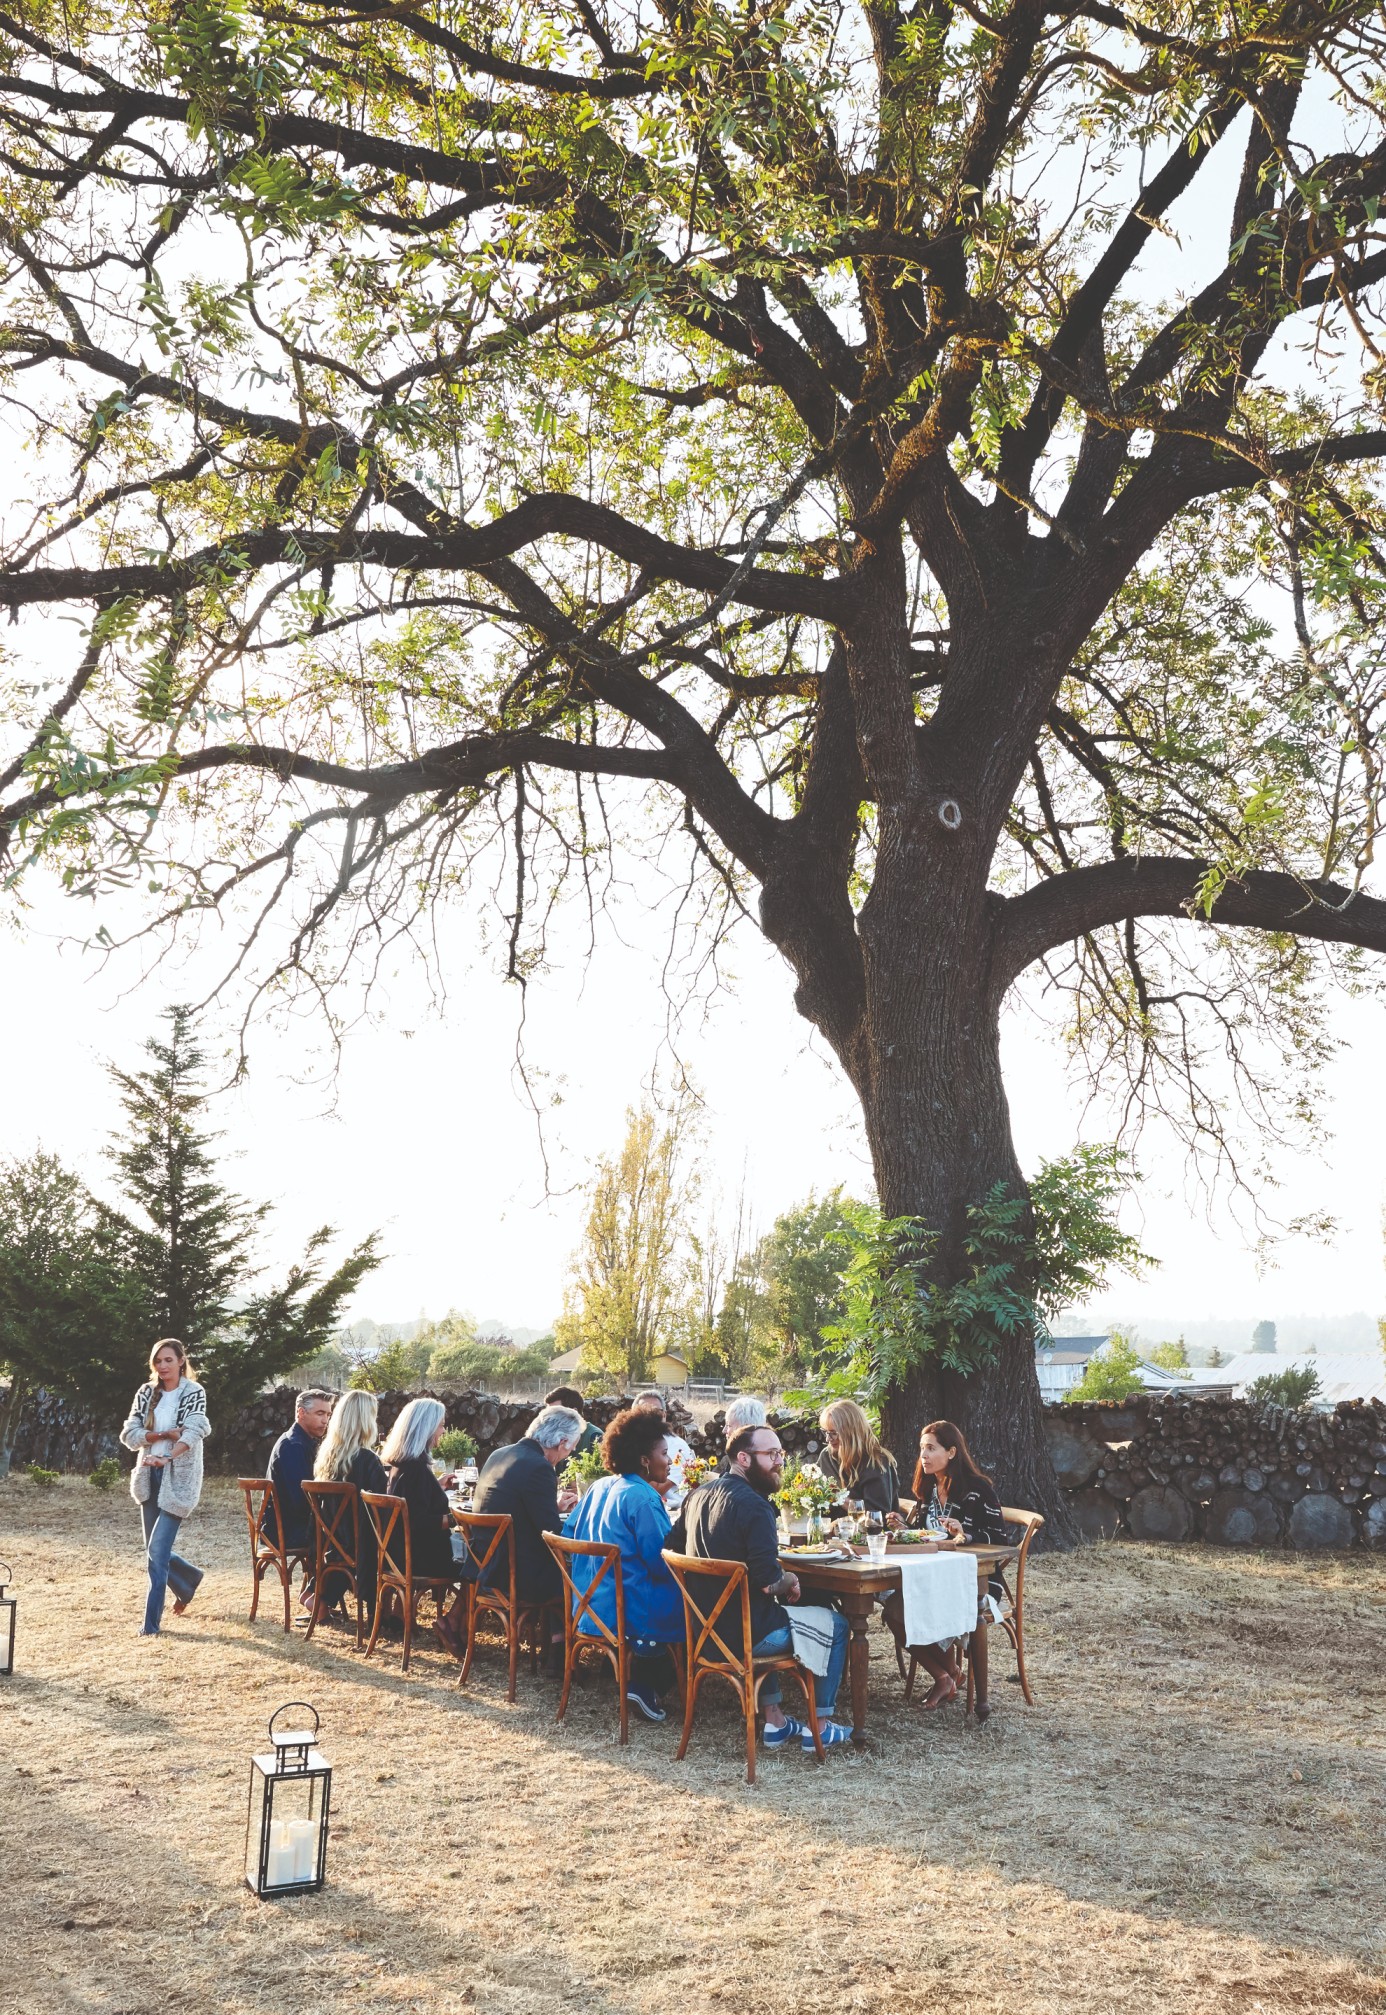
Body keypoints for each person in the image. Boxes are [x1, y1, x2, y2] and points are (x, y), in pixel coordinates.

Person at [669, 1423, 852, 1752]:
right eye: (771, 1454)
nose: (779, 1461)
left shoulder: (697, 1495)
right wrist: (791, 1579)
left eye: (780, 1453)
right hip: (749, 1636)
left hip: (704, 1632)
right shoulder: (756, 1506)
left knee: (768, 1612)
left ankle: (776, 1722)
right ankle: (819, 1727)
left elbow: (671, 1550)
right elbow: (768, 1583)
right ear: (743, 1458)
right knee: (838, 1624)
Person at [563, 1407, 685, 1721]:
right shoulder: (643, 1498)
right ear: (645, 1460)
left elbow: (568, 1532)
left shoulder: (599, 1486)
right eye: (663, 1453)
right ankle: (647, 1684)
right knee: (699, 1600)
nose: (669, 1461)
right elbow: (662, 1563)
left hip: (589, 1606)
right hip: (630, 1613)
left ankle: (629, 1672)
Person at [886, 1418, 1008, 1709]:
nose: (923, 1456)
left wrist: (965, 1534)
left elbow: (1000, 1539)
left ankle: (958, 1684)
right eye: (921, 1449)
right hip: (930, 1576)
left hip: (973, 1580)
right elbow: (926, 1533)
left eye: (931, 1448)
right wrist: (905, 1528)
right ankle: (947, 1674)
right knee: (893, 1610)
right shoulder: (929, 1488)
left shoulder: (978, 1489)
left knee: (902, 1608)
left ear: (951, 1452)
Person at [473, 1404, 582, 1663]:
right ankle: (560, 1653)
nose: (572, 1452)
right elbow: (551, 1532)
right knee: (569, 1570)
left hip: (484, 1562)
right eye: (571, 1446)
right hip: (514, 1575)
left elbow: (517, 1507)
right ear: (561, 1441)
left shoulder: (500, 1454)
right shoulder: (539, 1467)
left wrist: (552, 1506)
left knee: (556, 1565)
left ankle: (556, 1647)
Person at [119, 1338, 211, 1638]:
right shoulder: (146, 1393)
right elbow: (130, 1434)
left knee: (157, 1551)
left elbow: (196, 1429)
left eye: (169, 1360)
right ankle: (188, 1580)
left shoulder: (193, 1392)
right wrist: (160, 1434)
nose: (163, 1366)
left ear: (181, 1361)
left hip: (178, 1478)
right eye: (158, 1361)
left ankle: (150, 1625)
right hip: (148, 1475)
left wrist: (169, 1454)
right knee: (153, 1550)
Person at [381, 1396, 470, 1653]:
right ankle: (454, 1624)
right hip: (419, 1558)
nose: (443, 1431)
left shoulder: (401, 1464)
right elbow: (420, 1523)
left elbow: (413, 1504)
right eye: (441, 1425)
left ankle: (411, 1615)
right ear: (427, 1428)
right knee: (476, 1564)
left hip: (396, 1554)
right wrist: (456, 1519)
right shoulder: (417, 1469)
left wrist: (438, 1488)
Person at [312, 1389, 388, 1623]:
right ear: (366, 1421)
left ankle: (320, 1598)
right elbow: (382, 1506)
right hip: (362, 1545)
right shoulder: (367, 1460)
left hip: (333, 1542)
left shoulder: (326, 1457)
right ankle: (389, 1611)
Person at [267, 1388, 335, 1552]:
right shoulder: (293, 1446)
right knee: (349, 1534)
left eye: (328, 1415)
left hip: (294, 1525)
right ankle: (328, 1578)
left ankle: (325, 1577)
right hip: (286, 1530)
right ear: (301, 1413)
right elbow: (301, 1500)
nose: (325, 1421)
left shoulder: (304, 1442)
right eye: (320, 1414)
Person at [817, 1400, 900, 1520]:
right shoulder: (826, 1456)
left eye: (834, 1433)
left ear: (851, 1431)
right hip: (830, 1532)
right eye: (825, 1432)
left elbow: (877, 1517)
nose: (828, 1439)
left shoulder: (876, 1462)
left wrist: (839, 1497)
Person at [630, 1391, 695, 1493]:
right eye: (644, 1411)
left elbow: (658, 1488)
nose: (650, 1416)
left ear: (664, 1415)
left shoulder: (677, 1446)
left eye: (655, 1411)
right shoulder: (631, 1441)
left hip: (670, 1507)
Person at [716, 1394, 767, 1472]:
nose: (724, 1431)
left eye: (729, 1425)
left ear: (744, 1427)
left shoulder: (755, 1466)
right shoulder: (766, 1456)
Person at [546, 1386, 601, 1456]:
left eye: (556, 1413)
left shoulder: (594, 1437)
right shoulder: (550, 1437)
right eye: (547, 1413)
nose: (549, 1418)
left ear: (574, 1413)